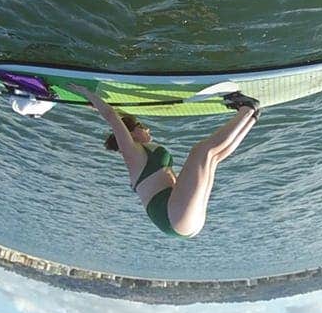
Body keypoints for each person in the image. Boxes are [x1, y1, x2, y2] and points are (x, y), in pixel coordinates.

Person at [86, 89, 258, 238]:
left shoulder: (137, 152)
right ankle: (246, 108)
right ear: (132, 134)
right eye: (141, 126)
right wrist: (86, 92)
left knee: (213, 157)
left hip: (181, 220)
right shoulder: (132, 153)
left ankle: (251, 115)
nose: (147, 129)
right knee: (201, 151)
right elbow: (111, 117)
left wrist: (105, 108)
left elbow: (120, 120)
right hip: (174, 215)